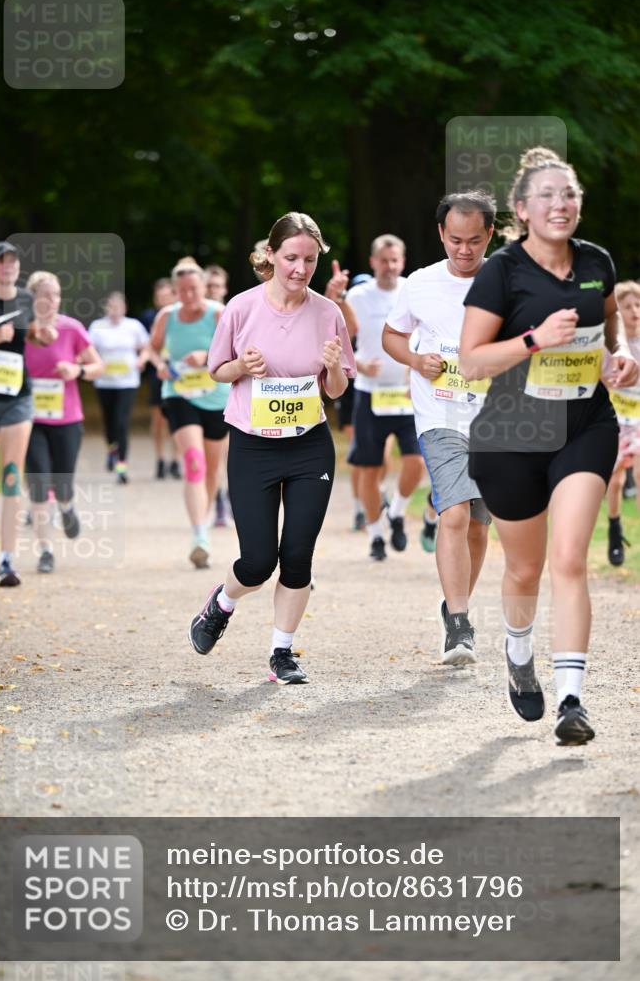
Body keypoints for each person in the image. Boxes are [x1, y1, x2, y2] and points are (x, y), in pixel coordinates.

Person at [459, 146, 638, 745]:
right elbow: (472, 360)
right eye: (547, 196)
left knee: (567, 559)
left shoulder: (597, 262)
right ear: (522, 209)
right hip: (509, 435)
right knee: (526, 567)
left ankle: (571, 700)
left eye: (569, 195)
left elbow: (606, 333)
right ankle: (518, 652)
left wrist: (618, 361)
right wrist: (534, 338)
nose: (560, 205)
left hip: (584, 426)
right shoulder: (501, 271)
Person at [189, 212, 355, 684]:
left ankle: (282, 653)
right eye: (290, 259)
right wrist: (241, 364)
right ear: (270, 256)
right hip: (252, 445)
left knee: (298, 554)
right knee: (259, 560)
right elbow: (217, 369)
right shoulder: (241, 308)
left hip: (309, 447)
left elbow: (337, 389)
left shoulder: (328, 313)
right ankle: (221, 603)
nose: (300, 269)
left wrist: (333, 369)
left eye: (308, 259)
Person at [383, 192, 496, 664]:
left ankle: (454, 604)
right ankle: (460, 624)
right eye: (455, 240)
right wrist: (415, 358)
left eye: (474, 240)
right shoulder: (420, 283)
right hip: (439, 415)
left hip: (495, 419)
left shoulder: (510, 279)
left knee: (477, 526)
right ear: (440, 235)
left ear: (490, 234)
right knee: (452, 512)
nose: (464, 250)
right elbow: (392, 335)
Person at [0, 242, 59, 586]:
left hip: (18, 397)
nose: (7, 266)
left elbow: (31, 337)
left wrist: (41, 335)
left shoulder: (25, 299)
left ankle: (7, 560)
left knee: (11, 474)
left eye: (12, 260)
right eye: (0, 261)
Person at [347, 234, 423, 561]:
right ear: (373, 262)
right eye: (384, 260)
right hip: (370, 394)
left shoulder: (414, 290)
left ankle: (398, 512)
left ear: (402, 262)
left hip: (407, 392)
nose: (389, 266)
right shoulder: (358, 296)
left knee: (416, 462)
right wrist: (359, 364)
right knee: (369, 469)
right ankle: (376, 535)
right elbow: (337, 340)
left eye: (395, 260)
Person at [149, 259, 228, 568]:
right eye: (181, 290)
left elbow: (236, 350)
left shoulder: (218, 314)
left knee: (211, 469)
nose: (188, 295)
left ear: (203, 287)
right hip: (179, 395)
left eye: (193, 289)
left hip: (216, 397)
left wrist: (207, 357)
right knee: (193, 462)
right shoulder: (166, 317)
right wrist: (159, 364)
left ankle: (204, 523)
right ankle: (198, 536)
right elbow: (153, 348)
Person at [24, 271, 103, 572]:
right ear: (32, 298)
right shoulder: (21, 330)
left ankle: (67, 506)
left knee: (63, 484)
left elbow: (98, 365)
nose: (50, 300)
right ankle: (45, 551)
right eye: (44, 294)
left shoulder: (72, 329)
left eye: (55, 294)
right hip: (29, 420)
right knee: (39, 483)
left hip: (67, 419)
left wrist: (76, 370)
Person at [89, 292, 149, 483]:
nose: (114, 311)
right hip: (105, 382)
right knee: (109, 422)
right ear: (106, 309)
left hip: (127, 382)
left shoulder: (133, 326)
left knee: (122, 423)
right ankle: (111, 449)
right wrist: (95, 363)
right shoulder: (97, 327)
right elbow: (89, 351)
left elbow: (147, 347)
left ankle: (121, 466)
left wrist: (141, 360)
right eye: (111, 307)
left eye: (118, 307)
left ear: (125, 308)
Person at [604, 280, 640, 564]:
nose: (635, 311)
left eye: (639, 305)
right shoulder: (612, 342)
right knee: (614, 481)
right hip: (614, 420)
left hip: (639, 420)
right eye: (627, 306)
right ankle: (615, 530)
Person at [139, 277, 181, 480]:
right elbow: (148, 345)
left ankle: (176, 460)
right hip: (158, 373)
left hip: (181, 373)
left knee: (178, 418)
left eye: (167, 295)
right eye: (159, 296)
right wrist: (153, 362)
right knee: (158, 420)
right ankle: (160, 459)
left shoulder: (182, 315)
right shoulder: (149, 316)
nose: (163, 299)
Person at [204, 265, 232, 527]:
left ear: (224, 288)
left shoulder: (234, 314)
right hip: (201, 395)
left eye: (217, 286)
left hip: (230, 392)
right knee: (214, 457)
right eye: (208, 286)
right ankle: (220, 501)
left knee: (232, 452)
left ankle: (231, 499)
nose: (213, 291)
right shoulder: (196, 317)